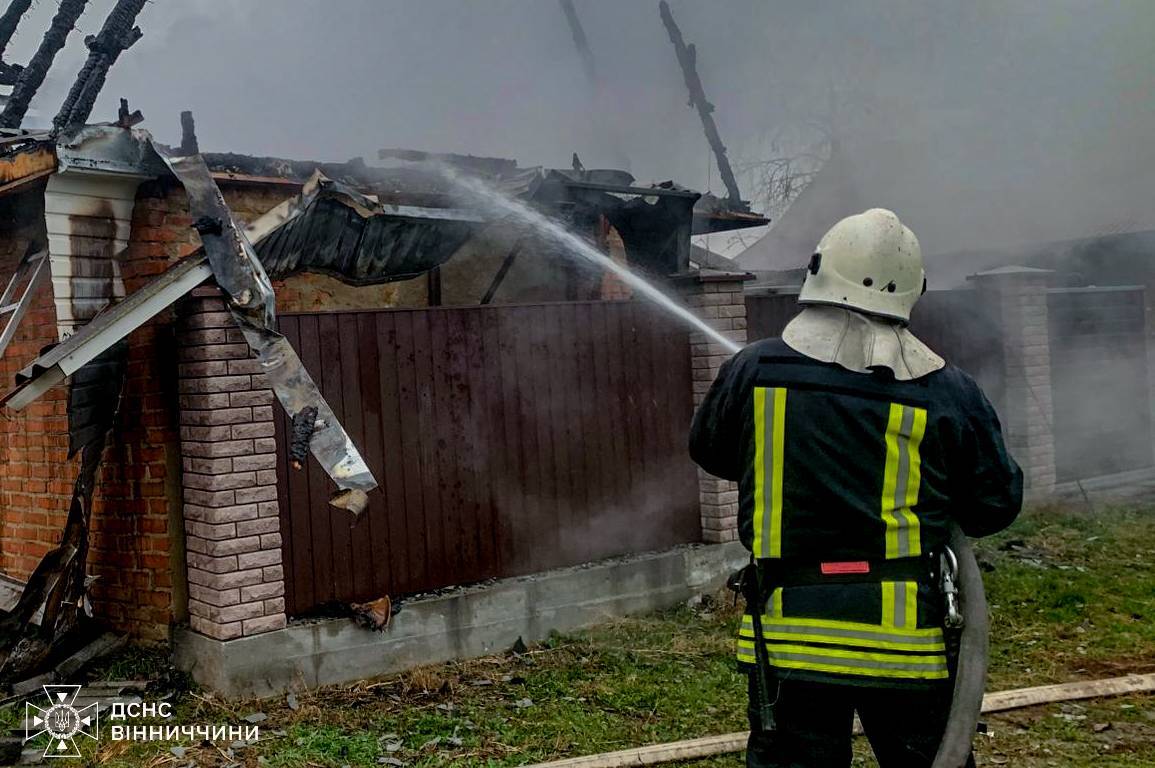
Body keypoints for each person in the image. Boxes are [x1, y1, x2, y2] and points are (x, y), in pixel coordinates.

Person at [689, 209, 1023, 768]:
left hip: (789, 639)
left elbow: (712, 451)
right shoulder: (947, 391)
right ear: (913, 288)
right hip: (905, 646)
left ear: (819, 270)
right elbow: (994, 506)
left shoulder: (755, 370)